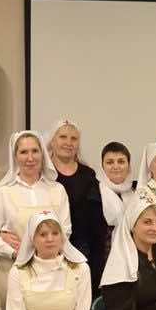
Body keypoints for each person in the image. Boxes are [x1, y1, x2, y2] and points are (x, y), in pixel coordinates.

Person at [0, 131, 71, 298]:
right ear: (15, 156)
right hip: (13, 270)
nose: (30, 158)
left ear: (42, 154)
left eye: (35, 151)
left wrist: (42, 253)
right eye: (23, 152)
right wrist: (15, 252)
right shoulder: (3, 193)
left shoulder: (57, 190)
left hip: (51, 271)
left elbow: (65, 230)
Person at [48, 118, 107, 291]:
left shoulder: (88, 175)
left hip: (83, 254)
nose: (68, 143)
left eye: (73, 138)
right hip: (50, 251)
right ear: (52, 141)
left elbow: (97, 223)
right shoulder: (43, 173)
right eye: (63, 137)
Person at [98, 141, 136, 256]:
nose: (116, 166)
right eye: (110, 162)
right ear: (102, 166)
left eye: (121, 161)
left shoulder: (137, 191)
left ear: (129, 165)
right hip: (106, 256)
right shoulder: (94, 194)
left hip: (135, 254)